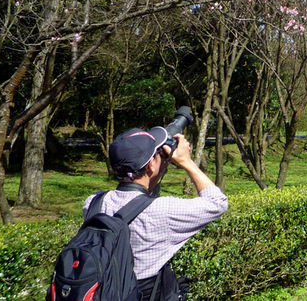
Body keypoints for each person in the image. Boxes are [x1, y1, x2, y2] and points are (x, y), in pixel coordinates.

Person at [84, 127, 228, 300]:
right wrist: (186, 161)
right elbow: (217, 202)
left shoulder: (93, 202)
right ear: (151, 164)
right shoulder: (161, 210)